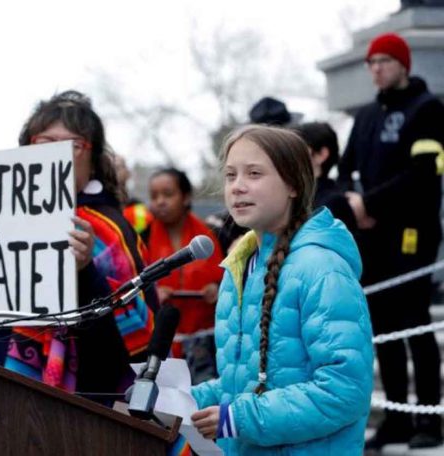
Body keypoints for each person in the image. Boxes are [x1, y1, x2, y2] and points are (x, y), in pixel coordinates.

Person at [190, 125, 373, 454]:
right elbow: (247, 382)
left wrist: (238, 419)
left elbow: (344, 391)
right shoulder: (239, 267)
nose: (238, 187)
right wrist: (188, 400)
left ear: (292, 183)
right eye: (231, 175)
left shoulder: (322, 270)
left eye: (254, 173)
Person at [4, 90, 159, 397]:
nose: (56, 153)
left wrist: (87, 271)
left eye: (73, 144)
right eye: (45, 142)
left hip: (80, 401)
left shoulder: (110, 229)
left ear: (93, 158)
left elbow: (139, 339)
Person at [337, 32, 444, 450]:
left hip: (411, 235)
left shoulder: (428, 109)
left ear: (403, 64)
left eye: (384, 60)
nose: (376, 68)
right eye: (371, 61)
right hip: (372, 237)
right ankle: (397, 416)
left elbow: (423, 174)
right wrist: (351, 201)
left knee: (414, 321)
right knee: (382, 326)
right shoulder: (364, 117)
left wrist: (368, 201)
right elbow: (345, 170)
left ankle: (429, 417)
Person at [145, 168, 224, 383]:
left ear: (186, 197)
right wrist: (153, 294)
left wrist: (216, 288)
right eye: (154, 196)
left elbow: (225, 278)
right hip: (161, 342)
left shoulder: (208, 235)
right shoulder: (142, 237)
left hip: (204, 342)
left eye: (168, 194)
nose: (160, 202)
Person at [294, 122, 357, 232]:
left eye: (298, 148)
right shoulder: (296, 196)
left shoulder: (333, 203)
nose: (291, 156)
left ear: (321, 154)